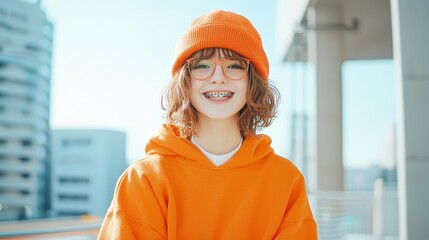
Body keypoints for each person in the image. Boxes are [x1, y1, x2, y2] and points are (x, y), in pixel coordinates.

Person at [98, 10, 317, 239]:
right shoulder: (144, 180)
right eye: (202, 65)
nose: (218, 76)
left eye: (234, 65)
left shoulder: (286, 181)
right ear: (185, 80)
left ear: (252, 79)